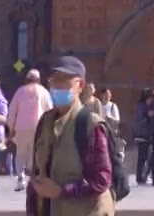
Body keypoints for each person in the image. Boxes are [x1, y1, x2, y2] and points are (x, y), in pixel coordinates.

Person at [26, 56, 115, 216]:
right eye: (53, 80)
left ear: (80, 85)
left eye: (63, 80)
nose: (56, 86)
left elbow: (101, 180)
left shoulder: (90, 125)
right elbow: (37, 173)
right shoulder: (45, 121)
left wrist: (61, 191)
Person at [7, 69, 53, 192]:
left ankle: (21, 179)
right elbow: (50, 110)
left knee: (20, 154)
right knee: (34, 153)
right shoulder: (43, 92)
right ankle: (32, 179)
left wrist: (10, 128)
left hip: (21, 128)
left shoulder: (20, 91)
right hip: (38, 127)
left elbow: (12, 111)